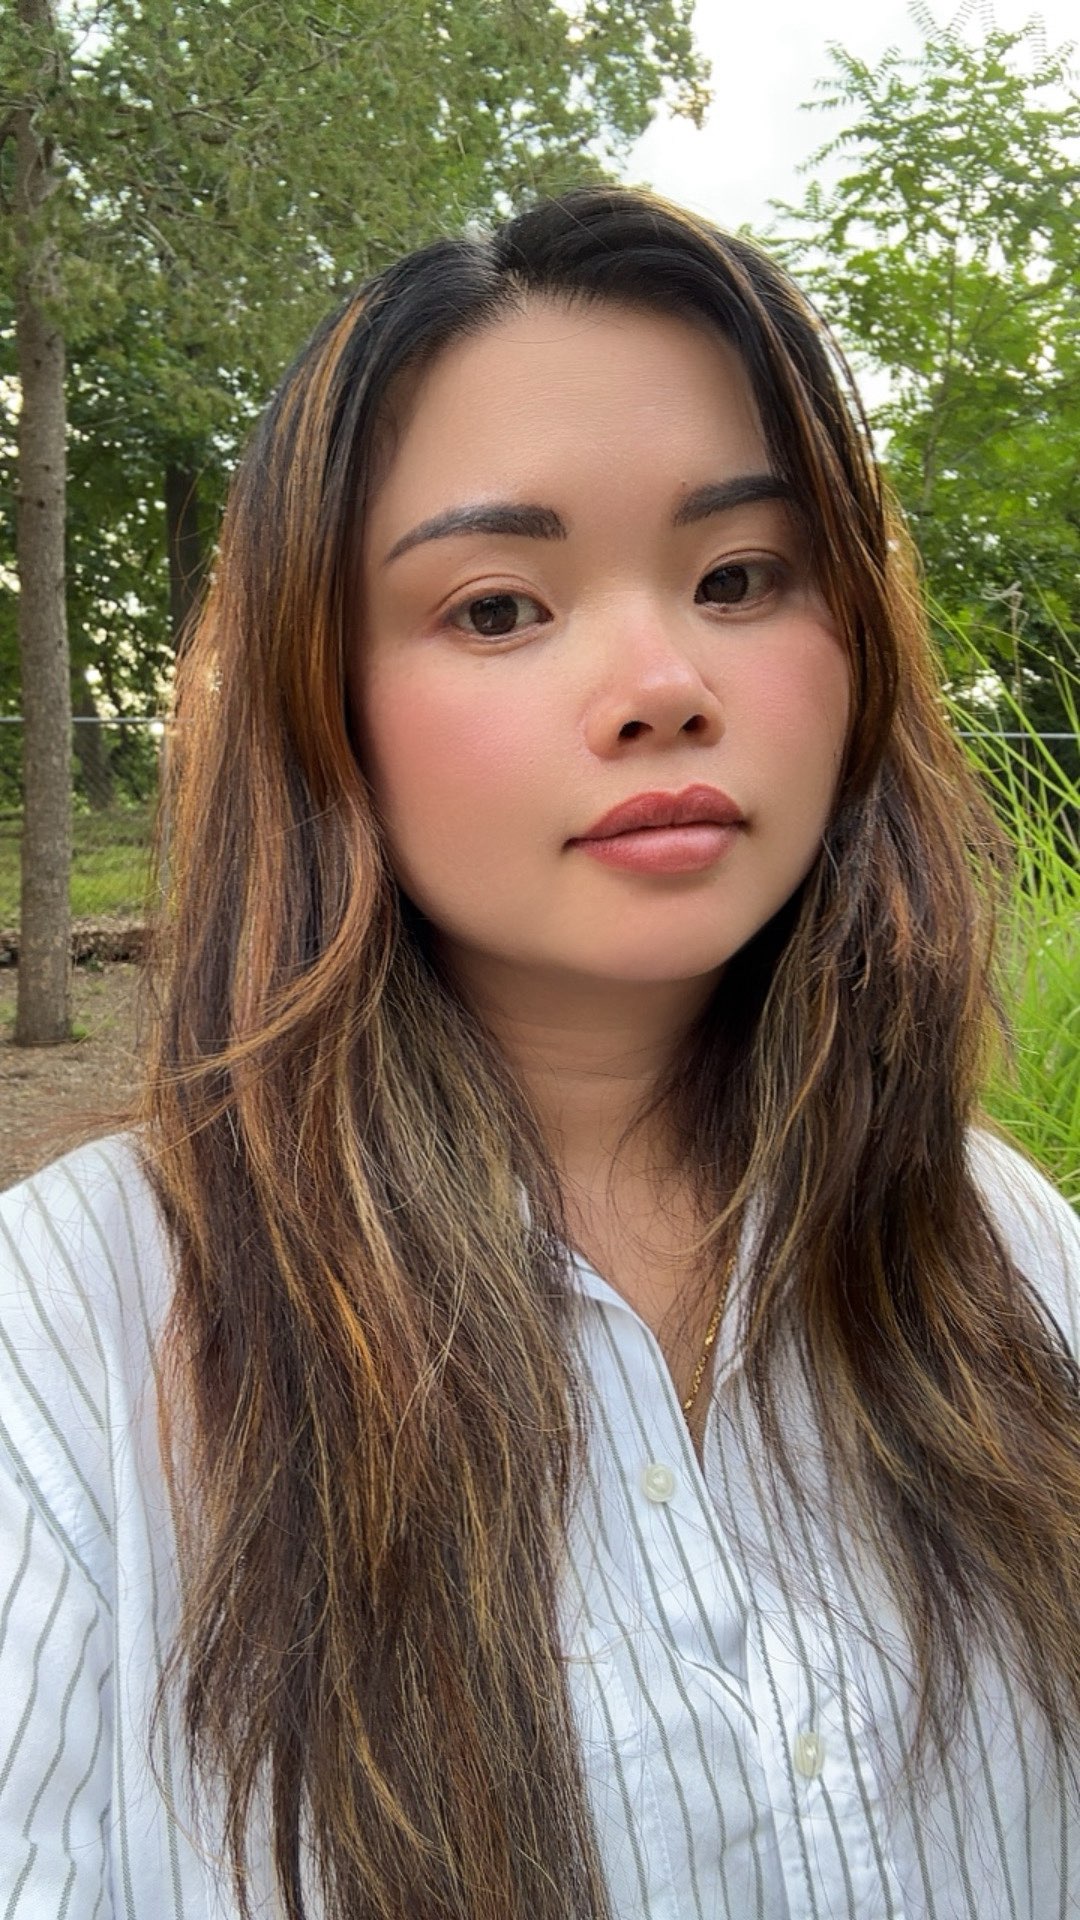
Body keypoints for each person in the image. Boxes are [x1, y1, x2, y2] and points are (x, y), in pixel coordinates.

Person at [1, 186, 1078, 1920]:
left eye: (741, 577)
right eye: (499, 607)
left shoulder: (1011, 1252)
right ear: (320, 702)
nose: (663, 682)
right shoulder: (62, 1354)